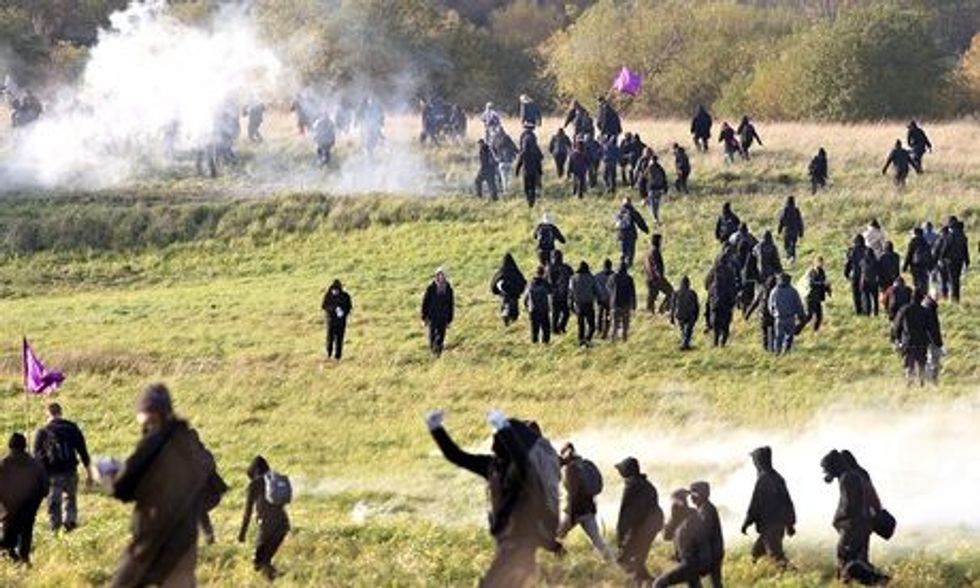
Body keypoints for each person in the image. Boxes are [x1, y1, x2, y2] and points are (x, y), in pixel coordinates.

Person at [95, 384, 217, 587]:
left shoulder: (154, 442)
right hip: (185, 541)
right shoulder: (189, 442)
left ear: (148, 412)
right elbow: (211, 488)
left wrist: (105, 476)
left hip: (152, 541)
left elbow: (123, 488)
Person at [425, 409, 561, 587]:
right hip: (506, 541)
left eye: (498, 436)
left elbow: (520, 457)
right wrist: (436, 429)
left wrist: (504, 428)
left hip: (520, 543)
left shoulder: (525, 472)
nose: (494, 440)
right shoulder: (492, 466)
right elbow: (457, 456)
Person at [820, 450, 889, 585]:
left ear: (834, 465)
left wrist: (840, 521)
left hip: (852, 527)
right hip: (859, 526)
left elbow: (850, 505)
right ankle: (875, 581)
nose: (826, 472)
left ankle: (878, 581)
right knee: (857, 561)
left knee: (848, 562)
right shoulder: (854, 475)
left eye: (827, 468)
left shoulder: (847, 478)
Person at [32, 402, 91, 533]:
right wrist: (89, 472)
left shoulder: (42, 432)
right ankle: (70, 522)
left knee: (54, 502)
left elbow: (35, 456)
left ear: (47, 413)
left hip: (52, 473)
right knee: (71, 498)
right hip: (71, 470)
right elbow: (83, 451)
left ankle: (55, 528)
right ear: (61, 412)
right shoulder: (73, 428)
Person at [557, 444, 613, 560]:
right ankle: (612, 562)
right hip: (588, 510)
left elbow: (573, 494)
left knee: (556, 536)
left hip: (573, 512)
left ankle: (561, 559)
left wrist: (571, 516)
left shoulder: (570, 469)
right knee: (598, 540)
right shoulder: (582, 465)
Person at [238, 456, 290, 580]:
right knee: (264, 560)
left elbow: (247, 512)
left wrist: (242, 533)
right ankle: (275, 578)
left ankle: (280, 576)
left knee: (257, 562)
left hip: (267, 527)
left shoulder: (254, 485)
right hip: (283, 525)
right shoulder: (274, 481)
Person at [741, 446, 796, 565]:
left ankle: (796, 576)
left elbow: (755, 505)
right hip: (776, 526)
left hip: (770, 526)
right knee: (756, 552)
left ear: (758, 461)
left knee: (776, 557)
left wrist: (746, 523)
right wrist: (790, 524)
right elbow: (788, 503)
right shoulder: (778, 478)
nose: (754, 464)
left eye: (754, 460)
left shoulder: (763, 479)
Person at [0, 433, 48, 564]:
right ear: (25, 446)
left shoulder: (3, 464)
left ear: (10, 446)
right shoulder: (36, 464)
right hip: (29, 507)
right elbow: (45, 488)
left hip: (8, 509)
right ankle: (24, 558)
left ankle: (11, 555)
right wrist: (35, 501)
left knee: (8, 535)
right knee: (26, 532)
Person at [615, 457, 663, 586]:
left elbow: (625, 515)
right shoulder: (647, 484)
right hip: (653, 525)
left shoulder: (631, 486)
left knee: (623, 560)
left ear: (627, 471)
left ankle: (648, 581)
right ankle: (648, 582)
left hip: (642, 528)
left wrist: (621, 539)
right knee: (638, 559)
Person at [652, 489, 704, 588]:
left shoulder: (677, 515)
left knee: (659, 584)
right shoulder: (694, 512)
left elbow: (666, 536)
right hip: (695, 560)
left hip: (689, 562)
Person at [892, 288, 942, 386]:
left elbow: (896, 326)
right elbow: (932, 329)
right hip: (921, 343)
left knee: (909, 365)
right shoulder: (925, 311)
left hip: (908, 342)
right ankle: (921, 384)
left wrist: (895, 339)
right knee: (921, 364)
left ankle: (909, 384)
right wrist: (938, 343)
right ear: (921, 299)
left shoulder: (904, 310)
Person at [690, 481, 724, 588]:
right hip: (712, 552)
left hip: (711, 553)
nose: (692, 497)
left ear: (704, 494)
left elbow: (703, 532)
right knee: (715, 581)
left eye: (694, 493)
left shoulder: (706, 510)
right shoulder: (704, 508)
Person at [935, 216, 970, 302]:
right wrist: (967, 260)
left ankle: (953, 299)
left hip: (950, 260)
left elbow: (946, 247)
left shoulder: (951, 235)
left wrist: (941, 257)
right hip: (960, 260)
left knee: (951, 280)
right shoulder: (962, 235)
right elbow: (965, 249)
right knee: (956, 280)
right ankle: (956, 298)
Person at [768, 273, 806, 353]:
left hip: (779, 318)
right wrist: (801, 316)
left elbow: (770, 305)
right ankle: (786, 351)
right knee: (789, 336)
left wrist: (774, 314)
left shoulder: (774, 291)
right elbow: (798, 304)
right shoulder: (793, 291)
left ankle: (777, 353)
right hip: (790, 317)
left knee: (778, 337)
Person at [421, 268, 455, 356]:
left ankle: (438, 353)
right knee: (432, 335)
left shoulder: (448, 289)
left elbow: (451, 304)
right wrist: (424, 317)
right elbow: (425, 303)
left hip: (443, 317)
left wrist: (450, 319)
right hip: (432, 316)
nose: (440, 277)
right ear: (436, 276)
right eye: (439, 275)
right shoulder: (431, 288)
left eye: (442, 275)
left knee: (441, 336)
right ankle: (433, 351)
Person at [707, 253, 738, 347]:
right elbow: (733, 286)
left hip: (714, 302)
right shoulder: (730, 271)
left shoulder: (713, 270)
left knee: (715, 324)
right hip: (726, 302)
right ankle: (722, 344)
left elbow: (706, 282)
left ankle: (715, 342)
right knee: (725, 325)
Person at [492, 254, 528, 327]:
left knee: (504, 308)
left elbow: (493, 284)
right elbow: (523, 282)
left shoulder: (500, 273)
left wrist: (498, 292)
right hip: (514, 297)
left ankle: (506, 321)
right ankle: (512, 321)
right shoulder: (516, 272)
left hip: (504, 296)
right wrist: (519, 291)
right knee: (514, 310)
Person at [570, 262, 600, 347]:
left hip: (578, 304)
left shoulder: (573, 278)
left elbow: (570, 292)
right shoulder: (591, 278)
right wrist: (599, 300)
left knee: (581, 324)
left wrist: (571, 303)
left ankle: (581, 341)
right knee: (592, 325)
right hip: (588, 303)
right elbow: (596, 290)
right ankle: (587, 340)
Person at [321, 280, 352, 360]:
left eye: (337, 289)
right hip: (330, 321)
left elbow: (349, 307)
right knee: (330, 338)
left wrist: (343, 312)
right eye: (334, 289)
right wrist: (333, 309)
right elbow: (324, 306)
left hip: (341, 322)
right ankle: (329, 353)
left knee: (339, 339)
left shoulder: (345, 296)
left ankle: (338, 356)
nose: (335, 291)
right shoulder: (328, 296)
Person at [615, 197, 650, 267]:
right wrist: (646, 230)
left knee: (623, 252)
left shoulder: (619, 212)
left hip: (621, 235)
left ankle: (621, 266)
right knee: (630, 252)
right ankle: (629, 266)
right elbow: (640, 221)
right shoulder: (632, 211)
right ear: (630, 203)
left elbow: (617, 223)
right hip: (631, 235)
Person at [643, 234, 673, 314]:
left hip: (649, 278)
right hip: (656, 279)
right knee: (671, 293)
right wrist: (661, 278)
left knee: (651, 297)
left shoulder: (648, 252)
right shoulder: (655, 252)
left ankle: (650, 314)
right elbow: (657, 266)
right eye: (661, 241)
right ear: (658, 241)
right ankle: (662, 310)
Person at [547, 250, 574, 336]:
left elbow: (548, 282)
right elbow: (572, 277)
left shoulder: (549, 268)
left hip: (555, 295)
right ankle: (560, 327)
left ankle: (555, 330)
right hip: (564, 294)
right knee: (565, 313)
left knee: (556, 314)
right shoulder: (566, 267)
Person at [608, 261, 637, 342]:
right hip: (626, 305)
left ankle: (612, 341)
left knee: (614, 325)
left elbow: (608, 288)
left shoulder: (613, 277)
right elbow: (633, 293)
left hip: (614, 304)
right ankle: (624, 341)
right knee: (625, 326)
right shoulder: (629, 278)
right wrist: (634, 305)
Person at [670, 276, 700, 350]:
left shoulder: (676, 293)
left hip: (679, 315)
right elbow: (696, 306)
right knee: (688, 331)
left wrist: (672, 317)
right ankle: (685, 345)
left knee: (683, 330)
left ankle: (684, 344)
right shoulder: (692, 293)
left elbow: (672, 307)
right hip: (690, 315)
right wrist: (696, 316)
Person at [515, 133, 545, 208]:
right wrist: (540, 171)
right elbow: (540, 158)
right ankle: (532, 201)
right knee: (533, 187)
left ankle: (529, 201)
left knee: (526, 188)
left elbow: (519, 162)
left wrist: (517, 171)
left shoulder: (523, 152)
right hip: (534, 171)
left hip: (526, 172)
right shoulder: (535, 150)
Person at [803, 257, 831, 332]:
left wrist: (828, 290)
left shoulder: (822, 272)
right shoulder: (811, 271)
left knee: (819, 316)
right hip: (810, 297)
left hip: (817, 297)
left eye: (822, 263)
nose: (821, 264)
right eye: (820, 262)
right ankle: (796, 329)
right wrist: (823, 284)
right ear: (815, 262)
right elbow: (811, 283)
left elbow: (824, 282)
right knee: (809, 316)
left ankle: (815, 331)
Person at [525, 266, 552, 344]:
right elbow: (551, 291)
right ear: (543, 273)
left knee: (534, 329)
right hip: (543, 309)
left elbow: (526, 298)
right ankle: (545, 343)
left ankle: (535, 343)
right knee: (546, 329)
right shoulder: (545, 283)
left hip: (533, 309)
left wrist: (527, 307)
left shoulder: (530, 284)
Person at [903, 227, 933, 293]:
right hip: (925, 264)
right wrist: (931, 266)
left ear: (915, 233)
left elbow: (909, 254)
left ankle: (917, 296)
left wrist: (905, 266)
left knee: (916, 281)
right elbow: (930, 254)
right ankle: (924, 294)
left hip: (915, 264)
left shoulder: (913, 241)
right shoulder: (925, 242)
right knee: (924, 280)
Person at [844, 235, 868, 315]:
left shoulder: (851, 250)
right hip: (865, 274)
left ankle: (858, 310)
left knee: (855, 293)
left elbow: (848, 263)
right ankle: (866, 310)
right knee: (864, 293)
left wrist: (846, 274)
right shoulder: (866, 250)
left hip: (854, 274)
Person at [642, 154, 669, 225]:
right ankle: (656, 217)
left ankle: (655, 219)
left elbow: (643, 178)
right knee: (656, 205)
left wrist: (643, 191)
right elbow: (664, 179)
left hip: (651, 189)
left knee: (653, 205)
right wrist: (665, 190)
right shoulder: (660, 168)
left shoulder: (649, 168)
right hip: (659, 189)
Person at [778, 197, 804, 263]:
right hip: (795, 231)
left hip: (787, 231)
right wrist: (801, 232)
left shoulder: (785, 210)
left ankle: (788, 257)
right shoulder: (796, 210)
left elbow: (781, 220)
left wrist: (779, 229)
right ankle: (792, 257)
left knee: (786, 245)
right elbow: (800, 222)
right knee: (793, 245)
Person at [595, 259, 615, 340]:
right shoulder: (614, 275)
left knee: (600, 315)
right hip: (610, 299)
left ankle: (599, 330)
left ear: (603, 266)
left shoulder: (597, 275)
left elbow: (594, 288)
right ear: (611, 266)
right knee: (608, 316)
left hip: (601, 298)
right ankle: (605, 331)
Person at [859, 248, 880, 317]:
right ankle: (876, 312)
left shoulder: (863, 261)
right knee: (875, 299)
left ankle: (868, 312)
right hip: (874, 282)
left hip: (865, 282)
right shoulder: (876, 261)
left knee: (867, 298)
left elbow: (860, 269)